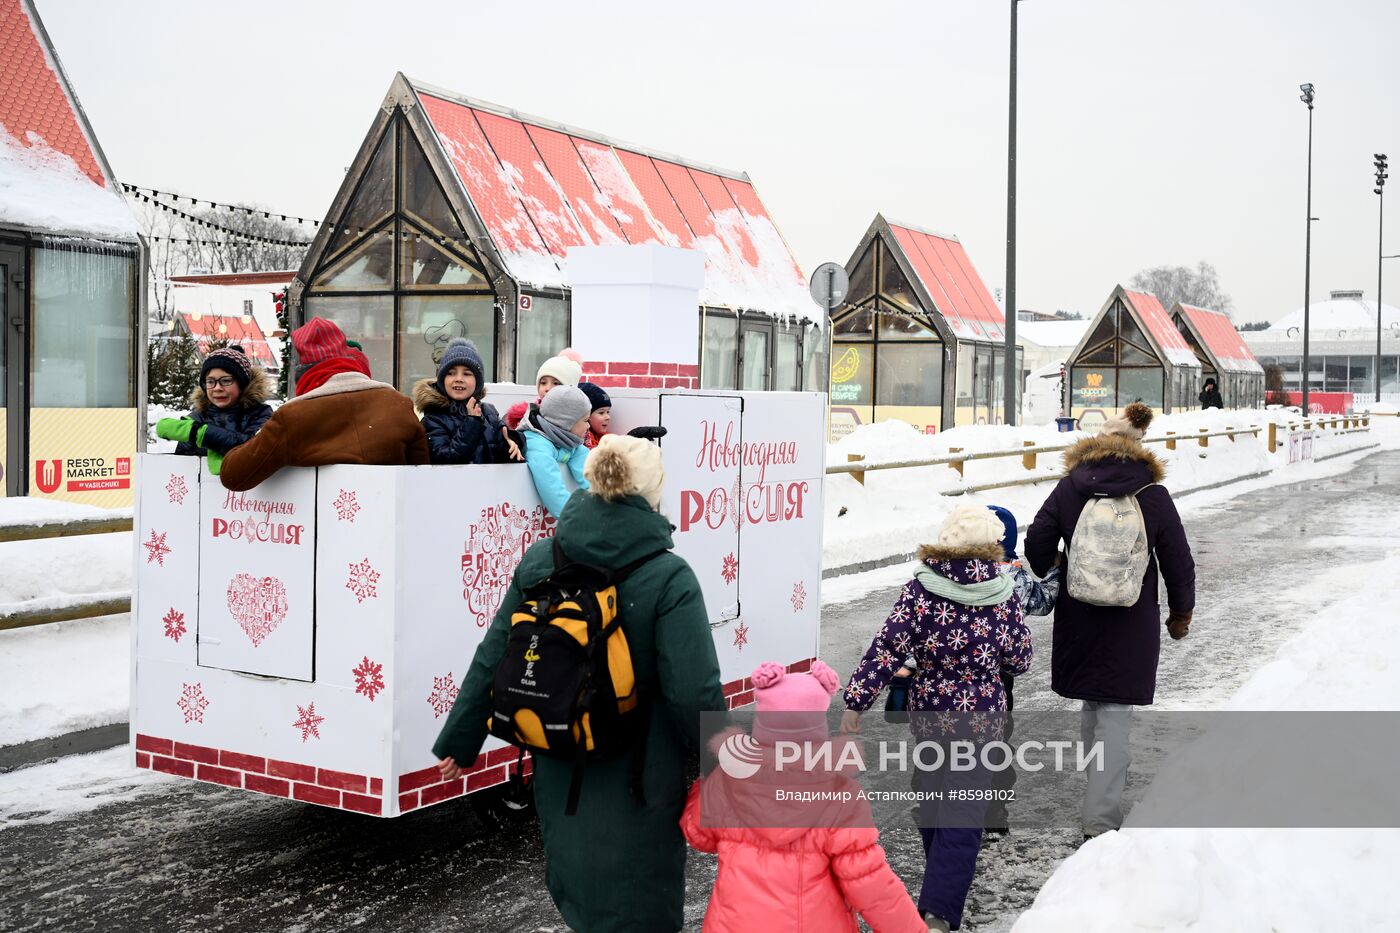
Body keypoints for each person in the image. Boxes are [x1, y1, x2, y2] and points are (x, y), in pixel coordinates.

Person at [433, 434, 725, 933]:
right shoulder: (668, 575)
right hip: (640, 772)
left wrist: (461, 741)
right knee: (641, 901)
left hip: (560, 755)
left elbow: (497, 653)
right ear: (652, 494)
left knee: (583, 895)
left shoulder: (544, 558)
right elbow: (694, 691)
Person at [842, 505, 1032, 932]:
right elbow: (1020, 660)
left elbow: (887, 647)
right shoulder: (1003, 593)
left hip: (930, 716)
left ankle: (940, 890)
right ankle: (940, 911)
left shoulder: (921, 589)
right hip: (982, 718)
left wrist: (856, 700)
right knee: (963, 814)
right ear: (991, 545)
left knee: (932, 802)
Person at [1023, 402, 1195, 840]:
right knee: (1115, 711)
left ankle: (1098, 787)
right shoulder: (1152, 494)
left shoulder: (1071, 487)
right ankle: (1100, 818)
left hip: (1079, 613)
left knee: (1092, 702)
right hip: (1131, 617)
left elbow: (1038, 538)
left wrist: (1053, 564)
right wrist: (1180, 612)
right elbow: (1176, 558)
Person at [681, 660, 924, 933]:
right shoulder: (839, 796)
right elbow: (870, 882)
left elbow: (699, 835)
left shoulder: (726, 782)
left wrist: (703, 788)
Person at [219, 318, 429, 491]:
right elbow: (422, 475)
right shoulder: (398, 404)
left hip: (324, 531)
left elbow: (233, 475)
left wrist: (259, 436)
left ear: (303, 372)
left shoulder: (293, 417)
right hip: (389, 529)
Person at [983, 504, 1060, 835]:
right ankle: (994, 813)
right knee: (997, 741)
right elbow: (1041, 604)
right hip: (999, 678)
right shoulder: (1014, 576)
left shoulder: (948, 572)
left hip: (950, 677)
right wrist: (1058, 571)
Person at [156, 344, 273, 475]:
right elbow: (182, 469)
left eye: (226, 380)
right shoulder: (196, 418)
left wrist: (203, 434)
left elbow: (252, 450)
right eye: (210, 382)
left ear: (241, 384)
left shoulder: (262, 414)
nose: (217, 388)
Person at [413, 337, 523, 464]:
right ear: (442, 380)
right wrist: (472, 423)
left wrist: (511, 444)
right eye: (451, 373)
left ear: (477, 381)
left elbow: (499, 456)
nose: (458, 379)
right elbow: (445, 458)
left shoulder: (488, 412)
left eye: (467, 374)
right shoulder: (434, 418)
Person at [520, 384, 592, 518]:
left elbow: (589, 471)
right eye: (586, 420)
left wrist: (604, 500)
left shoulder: (569, 442)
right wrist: (575, 517)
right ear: (565, 422)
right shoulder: (536, 443)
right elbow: (550, 485)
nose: (588, 426)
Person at [504, 351, 583, 431]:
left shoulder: (580, 423)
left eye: (556, 383)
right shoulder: (524, 419)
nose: (547, 388)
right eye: (543, 383)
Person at [578, 381, 612, 450]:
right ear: (586, 415)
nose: (608, 417)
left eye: (608, 412)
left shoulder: (606, 438)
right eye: (601, 413)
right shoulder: (582, 442)